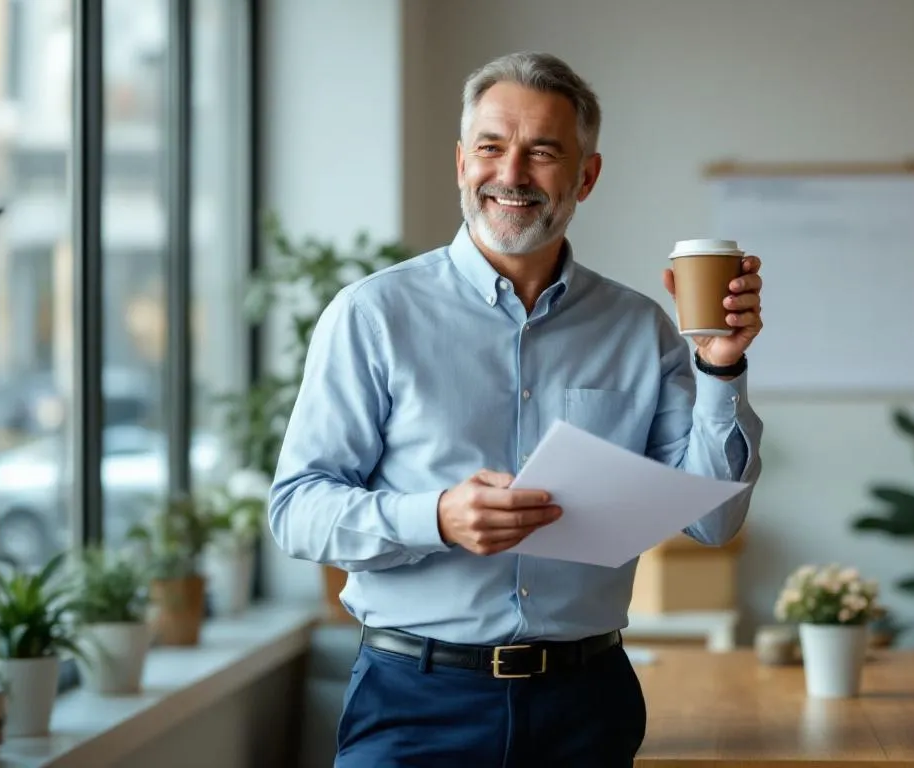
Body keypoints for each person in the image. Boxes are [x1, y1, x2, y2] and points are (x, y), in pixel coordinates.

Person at [268, 51, 764, 768]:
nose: (511, 174)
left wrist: (722, 367)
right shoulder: (372, 315)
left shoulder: (639, 326)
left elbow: (714, 519)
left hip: (587, 704)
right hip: (415, 703)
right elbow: (297, 510)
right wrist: (435, 517)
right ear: (462, 162)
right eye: (492, 148)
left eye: (542, 153)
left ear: (586, 176)